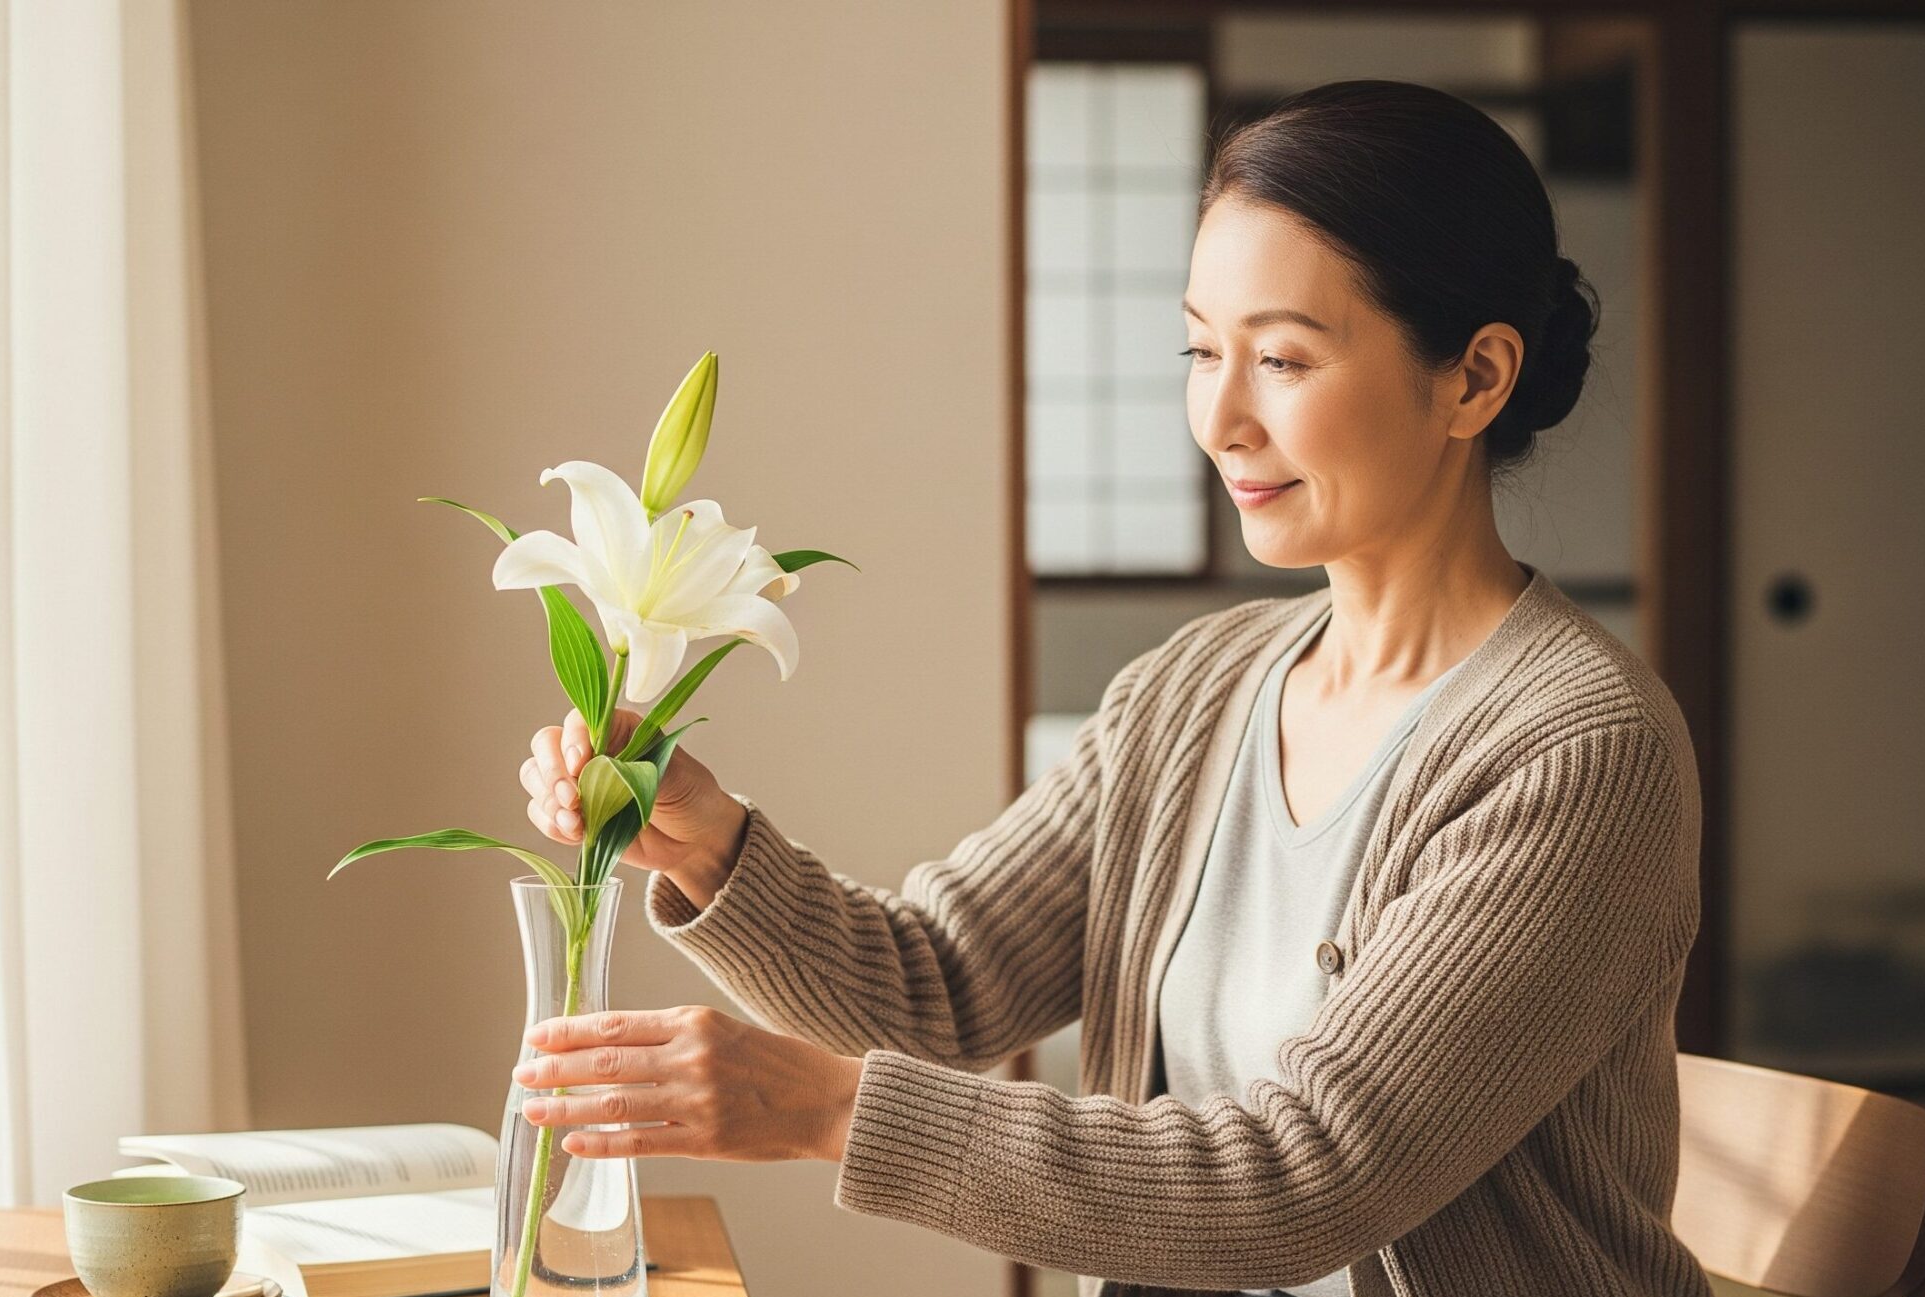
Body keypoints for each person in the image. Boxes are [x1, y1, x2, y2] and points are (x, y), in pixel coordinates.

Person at [508, 79, 1708, 1297]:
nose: (1220, 419)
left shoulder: (1575, 752)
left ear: (1473, 379)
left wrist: (824, 1108)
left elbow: (1304, 1176)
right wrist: (712, 846)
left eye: (1281, 358)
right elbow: (941, 981)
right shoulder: (1191, 692)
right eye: (1200, 351)